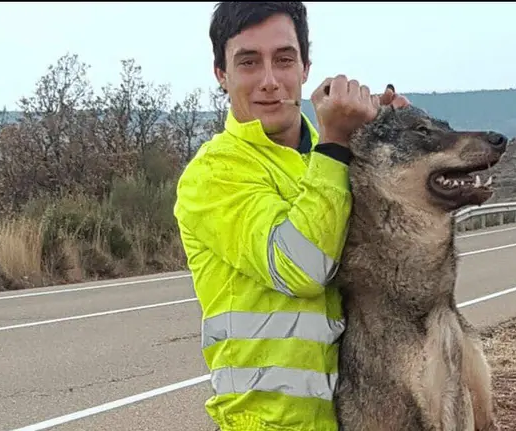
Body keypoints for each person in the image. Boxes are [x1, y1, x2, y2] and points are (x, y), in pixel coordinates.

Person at [172, 2, 410, 430]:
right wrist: (337, 143)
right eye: (248, 62)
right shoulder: (214, 174)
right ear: (221, 75)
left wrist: (389, 144)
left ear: (305, 68)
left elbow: (401, 258)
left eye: (284, 59)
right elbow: (301, 267)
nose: (269, 81)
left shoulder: (335, 158)